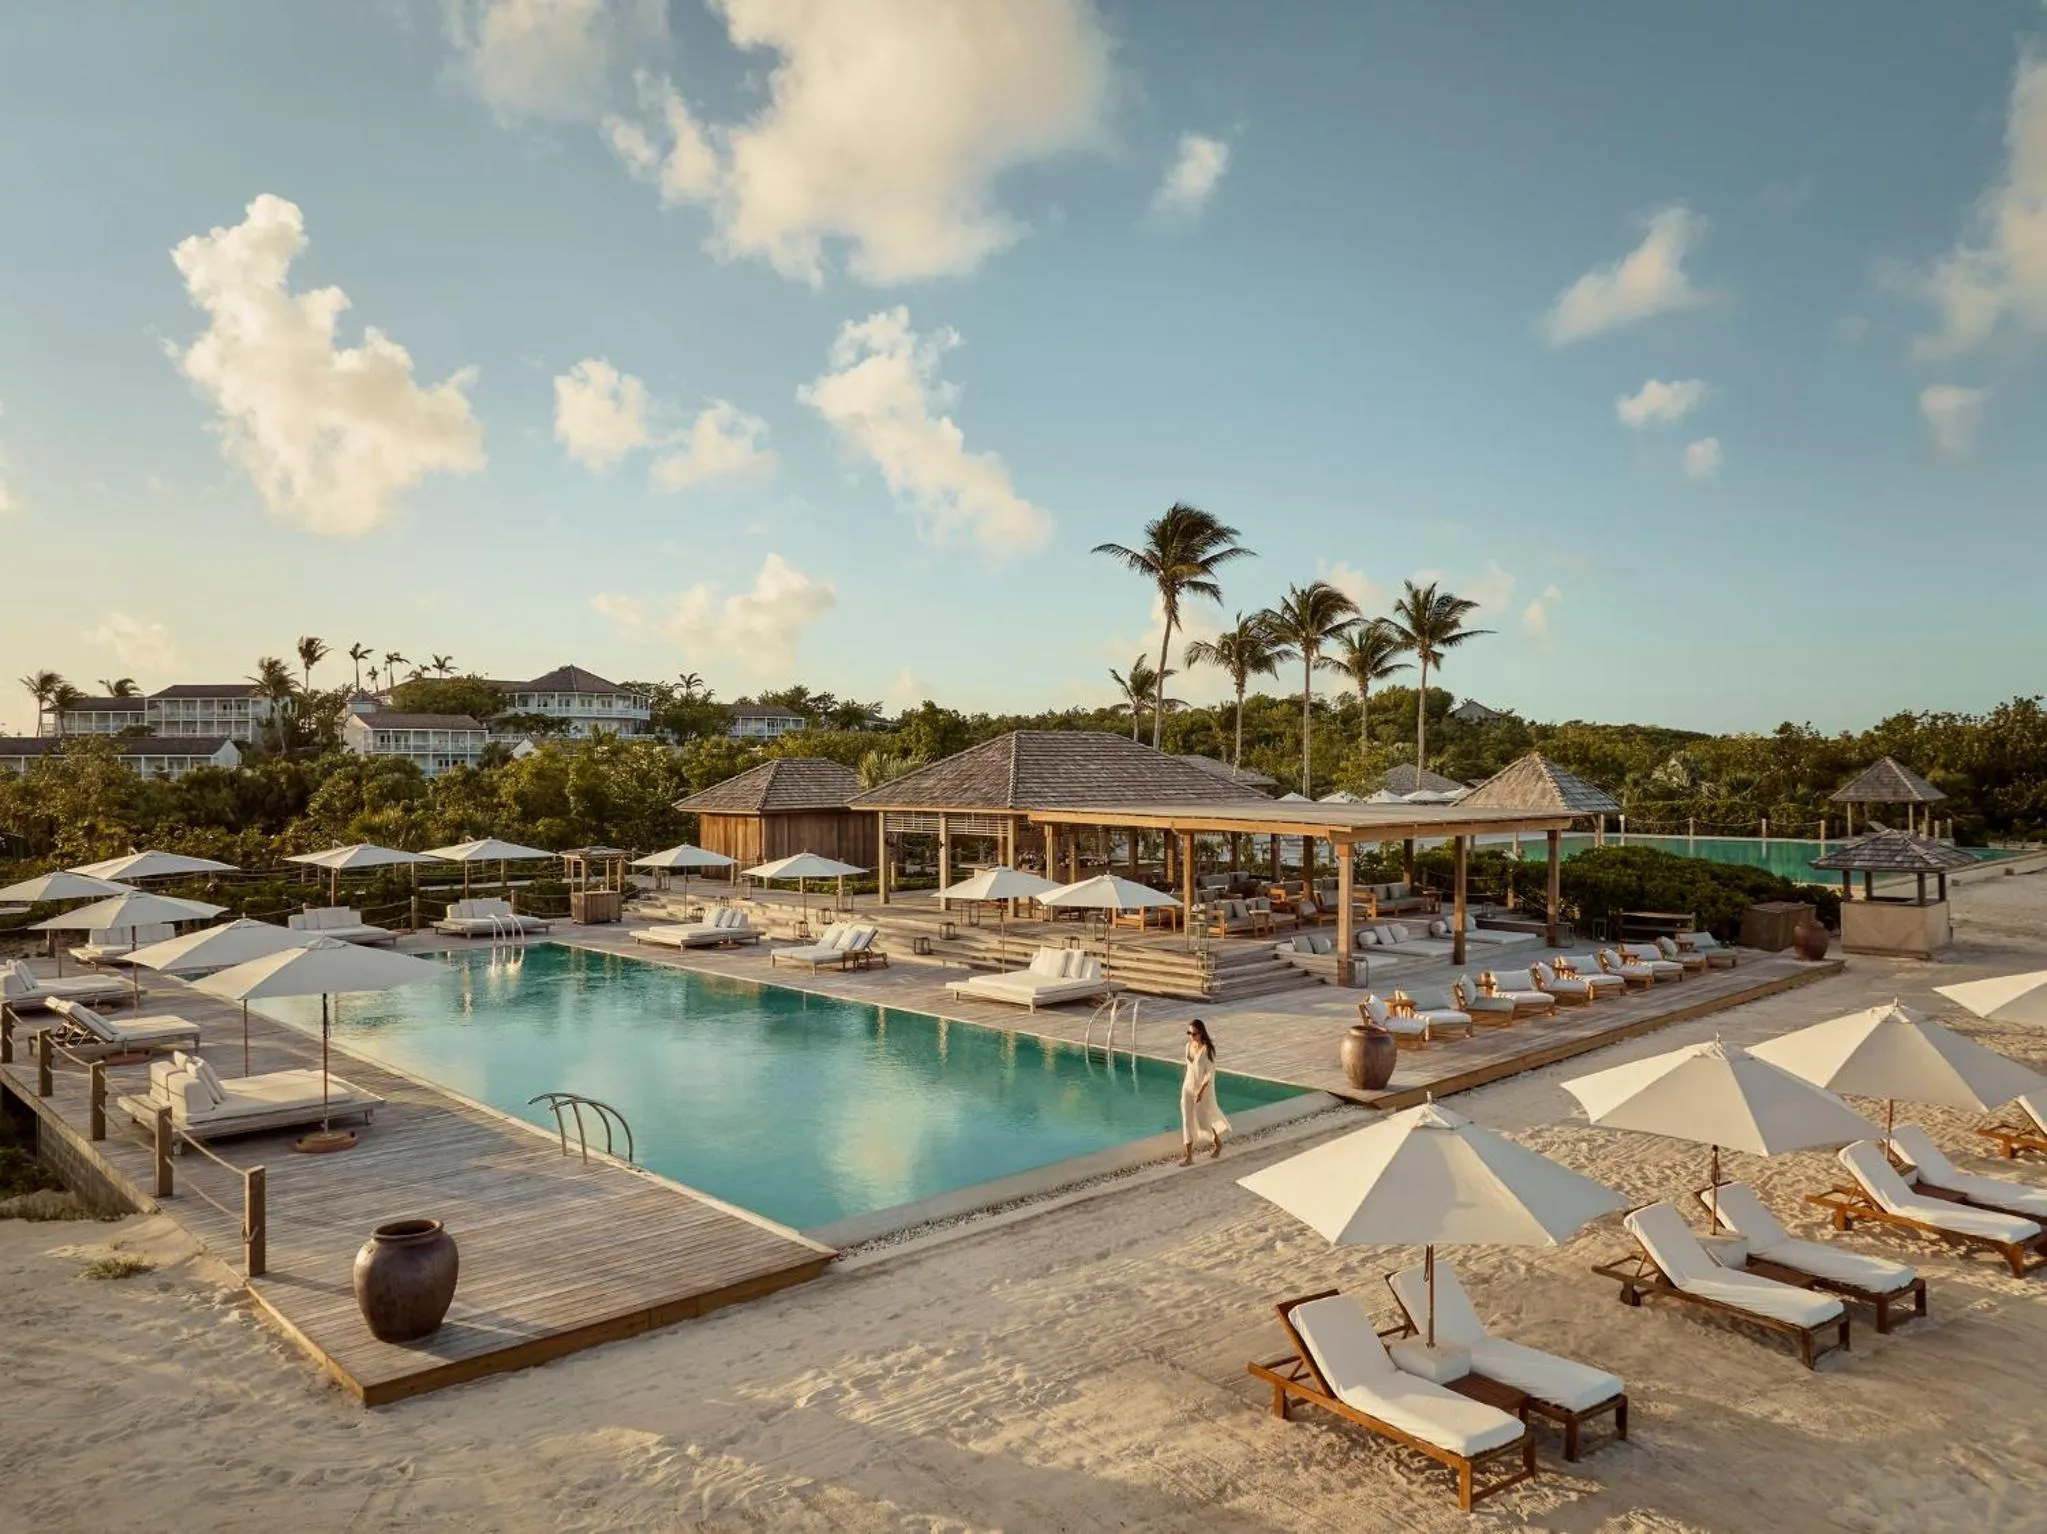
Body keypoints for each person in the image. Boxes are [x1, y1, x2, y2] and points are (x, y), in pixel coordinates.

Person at [1179, 1018, 1229, 1165]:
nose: (1191, 1036)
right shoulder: (1188, 1046)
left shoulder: (1207, 1050)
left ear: (1201, 1033)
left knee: (1204, 1119)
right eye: (1189, 1033)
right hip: (1187, 1087)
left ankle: (1217, 1143)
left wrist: (1200, 1091)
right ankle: (1189, 1156)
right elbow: (1189, 1066)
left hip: (1202, 1090)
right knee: (1187, 1120)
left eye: (1193, 1033)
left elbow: (1210, 1073)